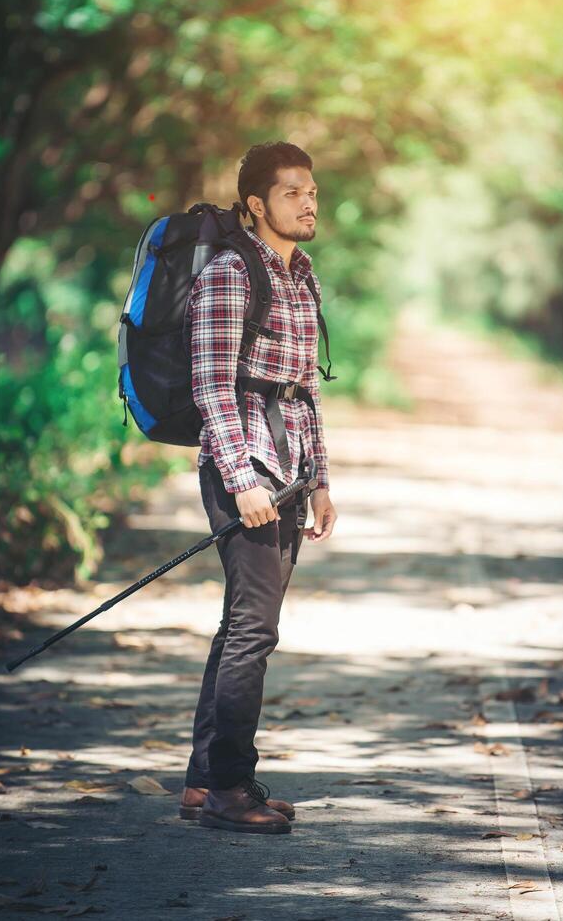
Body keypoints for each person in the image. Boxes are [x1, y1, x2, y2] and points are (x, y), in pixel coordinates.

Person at [180, 141, 337, 834]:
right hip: (244, 471)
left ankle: (203, 781)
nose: (309, 202)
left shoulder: (302, 277)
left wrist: (322, 478)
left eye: (312, 191)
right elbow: (212, 386)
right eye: (293, 192)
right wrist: (242, 480)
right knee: (253, 630)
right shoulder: (229, 274)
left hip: (290, 470)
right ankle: (229, 791)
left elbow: (303, 389)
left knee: (240, 626)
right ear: (256, 204)